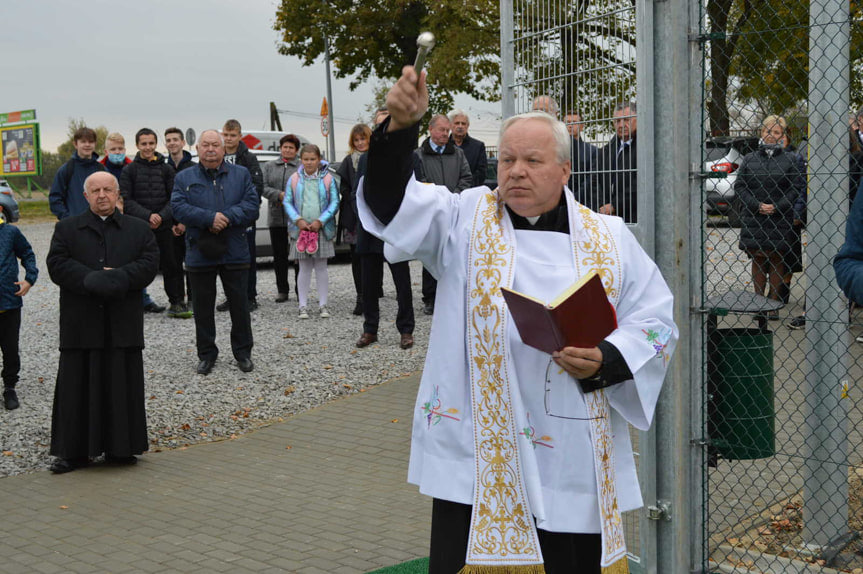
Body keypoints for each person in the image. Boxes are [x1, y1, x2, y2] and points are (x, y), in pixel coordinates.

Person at [358, 66, 677, 573]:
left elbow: (657, 321)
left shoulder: (610, 238)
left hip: (570, 439)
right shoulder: (462, 219)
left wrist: (607, 359)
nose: (516, 171)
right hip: (480, 445)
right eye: (507, 159)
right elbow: (389, 203)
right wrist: (397, 132)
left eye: (532, 160)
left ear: (565, 170)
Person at [46, 172, 159, 473]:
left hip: (122, 323)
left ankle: (121, 448)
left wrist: (117, 277)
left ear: (118, 193)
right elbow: (56, 265)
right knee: (77, 386)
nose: (102, 195)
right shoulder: (67, 228)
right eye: (95, 190)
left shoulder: (137, 229)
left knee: (120, 383)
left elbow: (149, 264)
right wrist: (90, 279)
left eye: (107, 189)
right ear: (85, 196)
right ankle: (73, 453)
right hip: (80, 324)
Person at [171, 130, 259, 375]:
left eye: (215, 145)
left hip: (235, 250)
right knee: (202, 307)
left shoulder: (240, 175)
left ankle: (243, 353)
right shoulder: (184, 177)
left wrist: (226, 218)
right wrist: (208, 218)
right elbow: (178, 207)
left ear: (223, 149)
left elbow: (252, 207)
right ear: (198, 149)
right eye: (206, 145)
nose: (210, 149)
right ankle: (206, 354)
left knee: (240, 306)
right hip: (200, 251)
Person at [354, 108, 417, 350]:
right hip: (369, 230)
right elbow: (356, 193)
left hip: (396, 230)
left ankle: (406, 329)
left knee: (402, 282)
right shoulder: (365, 159)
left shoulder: (410, 157)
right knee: (369, 283)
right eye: (379, 126)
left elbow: (415, 193)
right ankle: (370, 329)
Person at [735, 115, 805, 318]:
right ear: (761, 132)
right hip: (754, 217)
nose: (771, 135)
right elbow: (740, 185)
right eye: (768, 131)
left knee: (777, 258)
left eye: (776, 132)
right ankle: (759, 303)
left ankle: (773, 305)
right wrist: (757, 205)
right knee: (757, 258)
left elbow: (795, 188)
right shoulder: (749, 159)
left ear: (782, 136)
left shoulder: (791, 160)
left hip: (779, 217)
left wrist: (777, 206)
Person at [120, 128, 188, 318]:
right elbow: (127, 200)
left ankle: (176, 302)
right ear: (137, 145)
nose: (148, 147)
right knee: (136, 266)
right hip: (139, 228)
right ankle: (136, 302)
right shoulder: (129, 170)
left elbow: (175, 198)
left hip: (164, 227)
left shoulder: (166, 170)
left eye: (151, 143)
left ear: (156, 144)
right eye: (144, 144)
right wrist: (148, 216)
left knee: (172, 266)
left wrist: (161, 216)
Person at [415, 114, 472, 314]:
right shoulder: (419, 155)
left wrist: (454, 197)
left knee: (454, 252)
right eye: (442, 130)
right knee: (431, 253)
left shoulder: (457, 154)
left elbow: (466, 177)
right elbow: (418, 181)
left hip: (454, 210)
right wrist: (436, 197)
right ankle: (430, 298)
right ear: (431, 130)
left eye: (447, 130)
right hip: (431, 212)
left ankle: (451, 294)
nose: (445, 134)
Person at [283, 144, 339, 320]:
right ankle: (303, 305)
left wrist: (320, 221)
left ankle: (323, 304)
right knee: (304, 268)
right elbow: (287, 201)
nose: (309, 163)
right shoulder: (293, 179)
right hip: (300, 229)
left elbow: (335, 202)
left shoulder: (328, 179)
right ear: (301, 160)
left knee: (321, 267)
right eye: (305, 159)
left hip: (321, 229)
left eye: (312, 159)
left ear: (318, 159)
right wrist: (298, 220)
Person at [218, 119, 264, 312]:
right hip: (222, 218)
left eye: (233, 135)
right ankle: (231, 296)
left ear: (240, 136)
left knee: (247, 258)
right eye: (226, 135)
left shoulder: (248, 158)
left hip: (243, 218)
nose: (229, 139)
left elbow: (256, 188)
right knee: (225, 260)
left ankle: (250, 296)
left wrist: (244, 211)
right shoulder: (217, 156)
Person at [0, 190, 37, 411]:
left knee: (10, 349)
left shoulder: (11, 233)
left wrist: (29, 279)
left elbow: (28, 254)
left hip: (9, 305)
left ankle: (9, 386)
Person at [262, 133, 301, 303]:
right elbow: (262, 187)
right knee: (279, 255)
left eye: (291, 147)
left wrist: (292, 196)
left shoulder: (301, 166)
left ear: (296, 150)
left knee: (299, 255)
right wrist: (279, 195)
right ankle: (282, 290)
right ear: (280, 148)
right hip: (276, 217)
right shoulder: (269, 166)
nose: (287, 150)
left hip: (297, 218)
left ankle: (301, 289)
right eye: (285, 147)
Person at [337, 124, 371, 316]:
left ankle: (373, 294)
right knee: (356, 258)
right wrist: (353, 199)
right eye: (357, 140)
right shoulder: (348, 161)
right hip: (353, 215)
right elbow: (343, 187)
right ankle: (361, 297)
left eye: (363, 139)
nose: (360, 143)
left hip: (372, 214)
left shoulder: (376, 158)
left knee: (372, 257)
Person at [164, 127, 195, 313]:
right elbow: (163, 197)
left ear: (183, 142)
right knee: (171, 264)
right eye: (168, 140)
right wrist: (173, 222)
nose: (172, 143)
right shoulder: (163, 168)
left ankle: (194, 299)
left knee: (192, 263)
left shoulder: (193, 168)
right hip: (170, 224)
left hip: (190, 224)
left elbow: (195, 197)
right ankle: (176, 301)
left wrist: (184, 222)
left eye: (175, 139)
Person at [49, 127, 106, 220]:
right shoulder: (66, 170)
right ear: (75, 144)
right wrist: (67, 219)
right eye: (83, 142)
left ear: (95, 144)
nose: (87, 145)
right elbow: (55, 199)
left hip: (101, 224)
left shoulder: (102, 170)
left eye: (91, 142)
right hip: (75, 227)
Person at [594, 102, 638, 222]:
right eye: (617, 121)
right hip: (607, 218)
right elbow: (595, 180)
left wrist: (614, 205)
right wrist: (602, 206)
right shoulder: (606, 150)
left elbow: (641, 184)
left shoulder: (644, 149)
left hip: (634, 217)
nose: (621, 125)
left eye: (626, 120)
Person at [564, 110, 598, 205]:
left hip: (583, 201)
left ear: (582, 126)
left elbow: (592, 178)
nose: (570, 126)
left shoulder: (592, 151)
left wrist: (575, 197)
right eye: (567, 123)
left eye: (575, 123)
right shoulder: (554, 149)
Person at [448, 110, 488, 188]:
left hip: (471, 192)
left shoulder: (478, 146)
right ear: (450, 125)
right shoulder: (443, 145)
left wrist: (464, 186)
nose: (460, 126)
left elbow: (481, 173)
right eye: (457, 123)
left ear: (468, 126)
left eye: (463, 123)